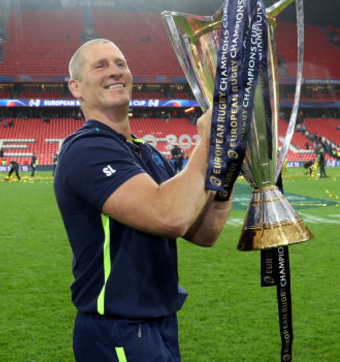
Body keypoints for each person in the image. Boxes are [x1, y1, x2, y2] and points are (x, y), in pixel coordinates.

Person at [53, 39, 233, 362]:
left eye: (121, 63)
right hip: (118, 330)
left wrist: (226, 166)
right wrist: (211, 140)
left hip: (158, 324)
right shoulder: (85, 149)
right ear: (75, 87)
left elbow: (205, 232)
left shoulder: (148, 153)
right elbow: (171, 215)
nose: (115, 72)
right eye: (101, 65)